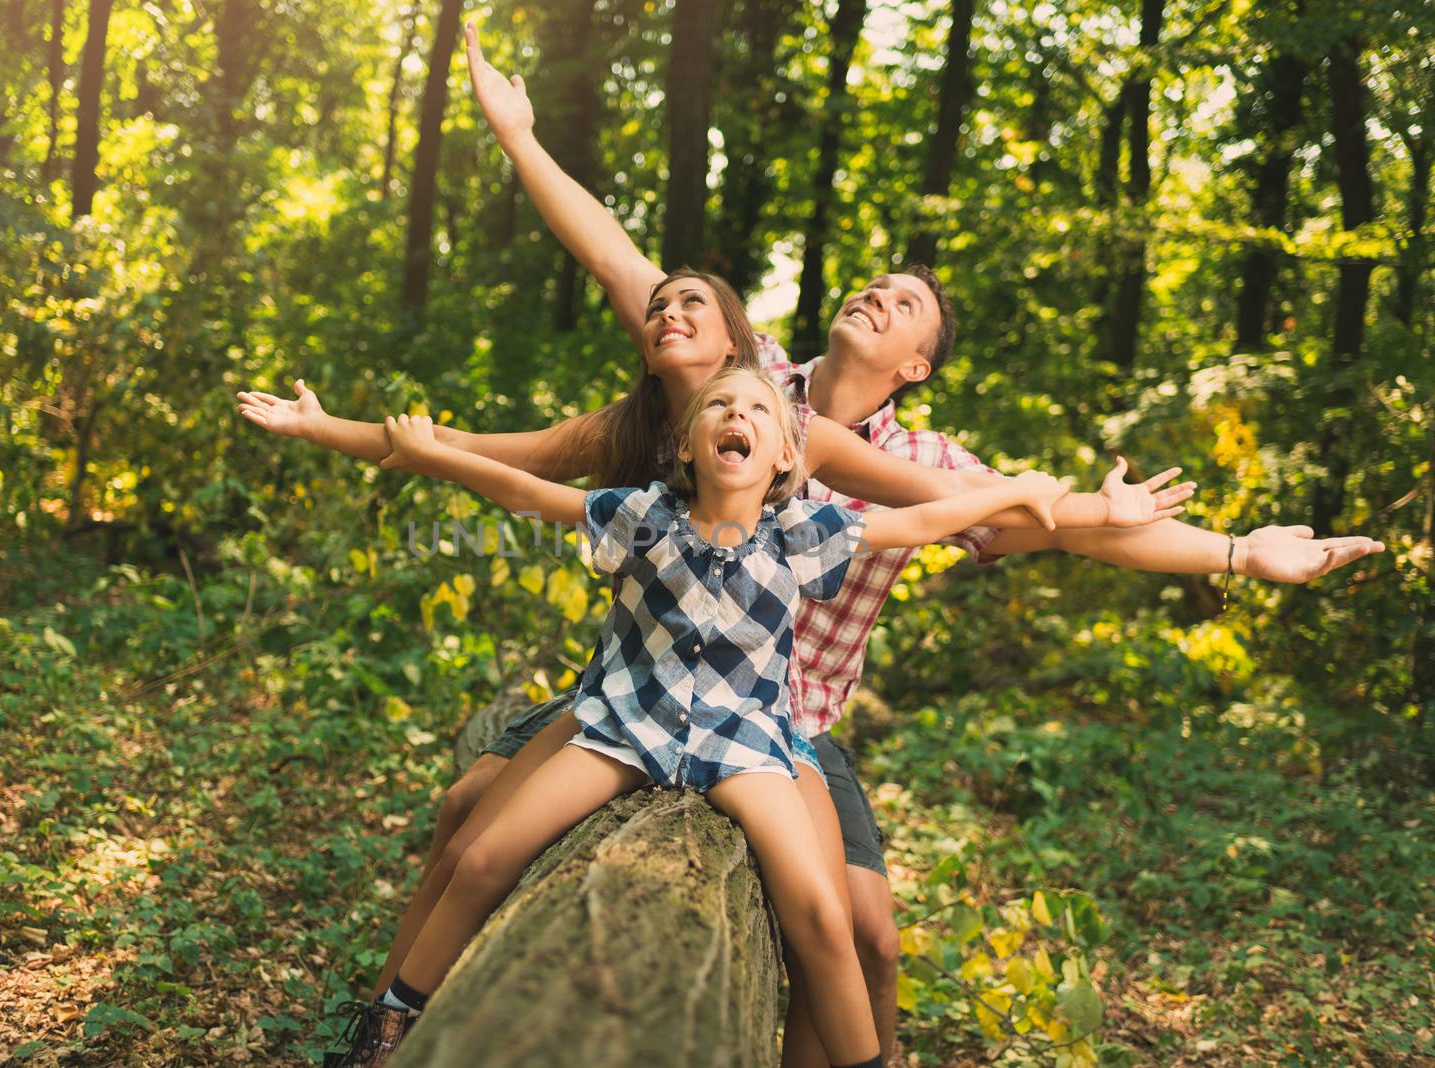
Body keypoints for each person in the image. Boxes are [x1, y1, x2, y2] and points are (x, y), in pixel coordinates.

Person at [356, 25, 1387, 1068]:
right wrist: (521, 137)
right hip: (656, 681)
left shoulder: (922, 456)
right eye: (875, 284)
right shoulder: (748, 386)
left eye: (903, 305)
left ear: (918, 365)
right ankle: (389, 1021)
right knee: (474, 816)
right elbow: (615, 259)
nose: (876, 297)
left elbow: (1043, 518)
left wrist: (1232, 554)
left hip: (784, 719)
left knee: (864, 937)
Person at [334, 366, 1073, 1068]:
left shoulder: (801, 532)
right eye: (719, 407)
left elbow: (924, 518)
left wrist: (1019, 492)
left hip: (742, 745)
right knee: (486, 856)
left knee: (820, 912)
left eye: (757, 410)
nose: (736, 416)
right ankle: (392, 1021)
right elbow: (525, 491)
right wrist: (432, 452)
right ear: (687, 444)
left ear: (785, 455)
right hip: (627, 728)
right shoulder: (642, 515)